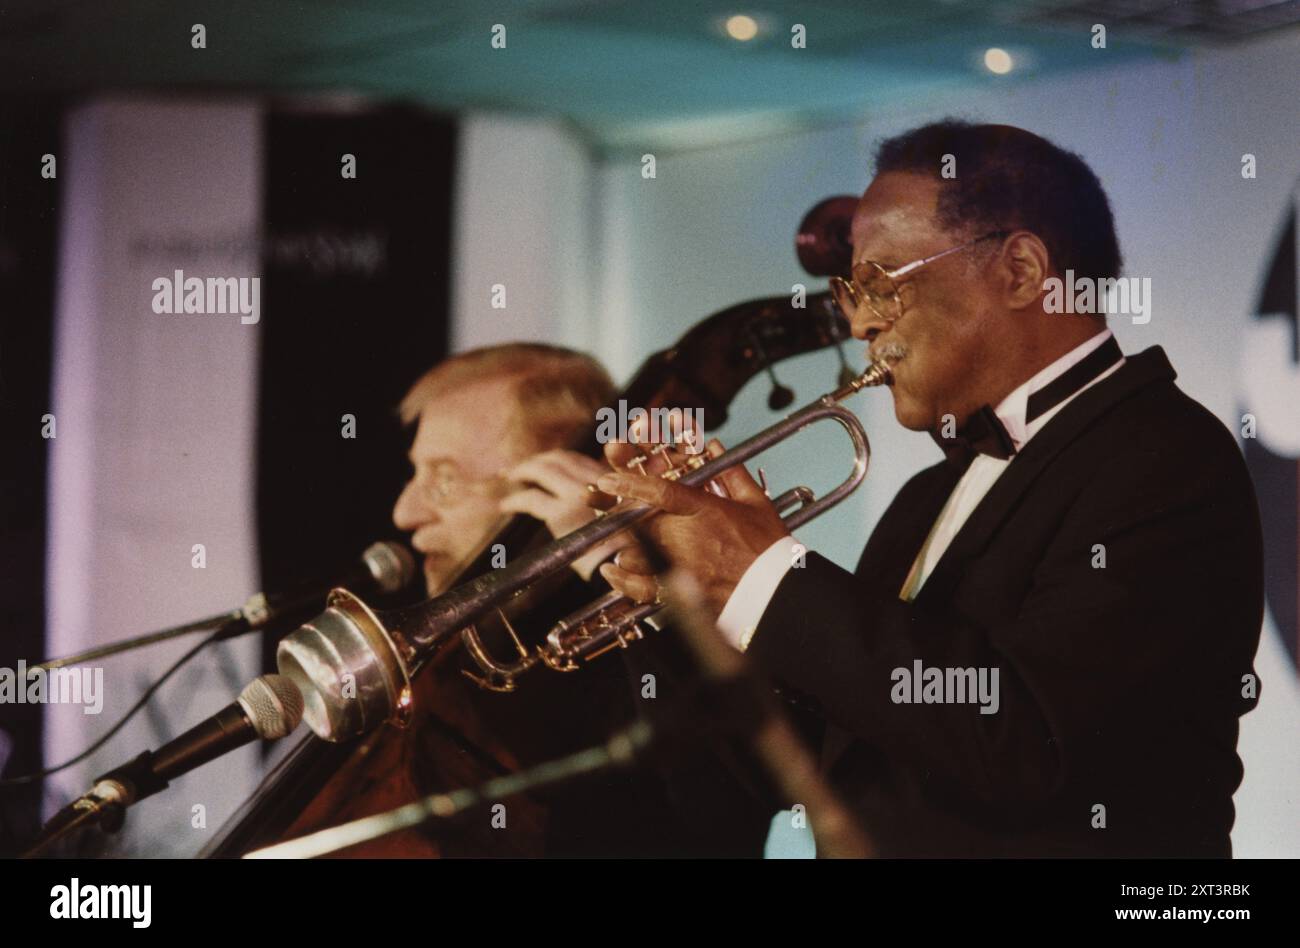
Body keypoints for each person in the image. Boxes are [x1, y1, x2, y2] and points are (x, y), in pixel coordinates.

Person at [595, 121, 1265, 857]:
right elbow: (802, 777)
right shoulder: (926, 497)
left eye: (880, 281)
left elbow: (1028, 742)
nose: (855, 320)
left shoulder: (1163, 456)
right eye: (851, 289)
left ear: (1020, 270)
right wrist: (686, 603)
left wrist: (764, 575)